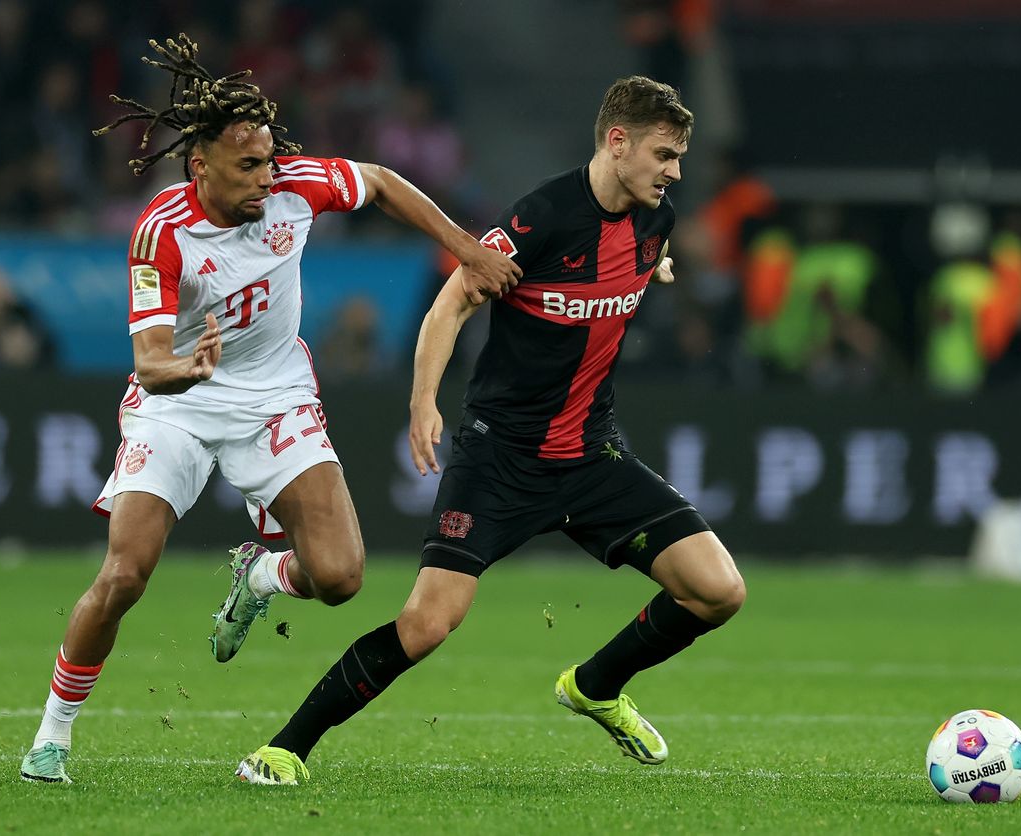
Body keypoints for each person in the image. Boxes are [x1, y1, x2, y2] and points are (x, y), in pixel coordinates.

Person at [18, 34, 520, 784]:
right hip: (177, 405)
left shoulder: (296, 185)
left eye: (268, 160)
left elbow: (380, 181)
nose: (267, 177)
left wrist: (464, 248)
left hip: (276, 393)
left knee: (342, 577)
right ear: (201, 166)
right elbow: (148, 360)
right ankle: (52, 735)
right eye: (247, 165)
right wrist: (183, 367)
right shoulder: (164, 230)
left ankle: (260, 578)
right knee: (126, 573)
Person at [235, 75, 747, 785]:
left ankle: (595, 686)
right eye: (665, 154)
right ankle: (285, 748)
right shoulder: (541, 218)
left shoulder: (653, 218)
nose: (676, 171)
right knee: (426, 625)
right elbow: (451, 306)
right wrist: (423, 401)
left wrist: (650, 269)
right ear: (617, 142)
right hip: (501, 457)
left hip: (593, 455)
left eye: (679, 157)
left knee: (718, 590)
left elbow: (631, 266)